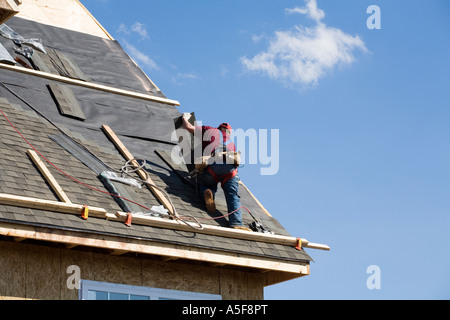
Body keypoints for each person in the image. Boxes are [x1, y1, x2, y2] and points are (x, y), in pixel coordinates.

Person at [182, 114, 251, 231]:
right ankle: (237, 223)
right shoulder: (231, 143)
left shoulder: (209, 130)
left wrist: (184, 117)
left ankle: (208, 192)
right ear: (229, 132)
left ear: (219, 128)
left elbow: (188, 127)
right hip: (230, 171)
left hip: (213, 166)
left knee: (206, 183)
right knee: (233, 195)